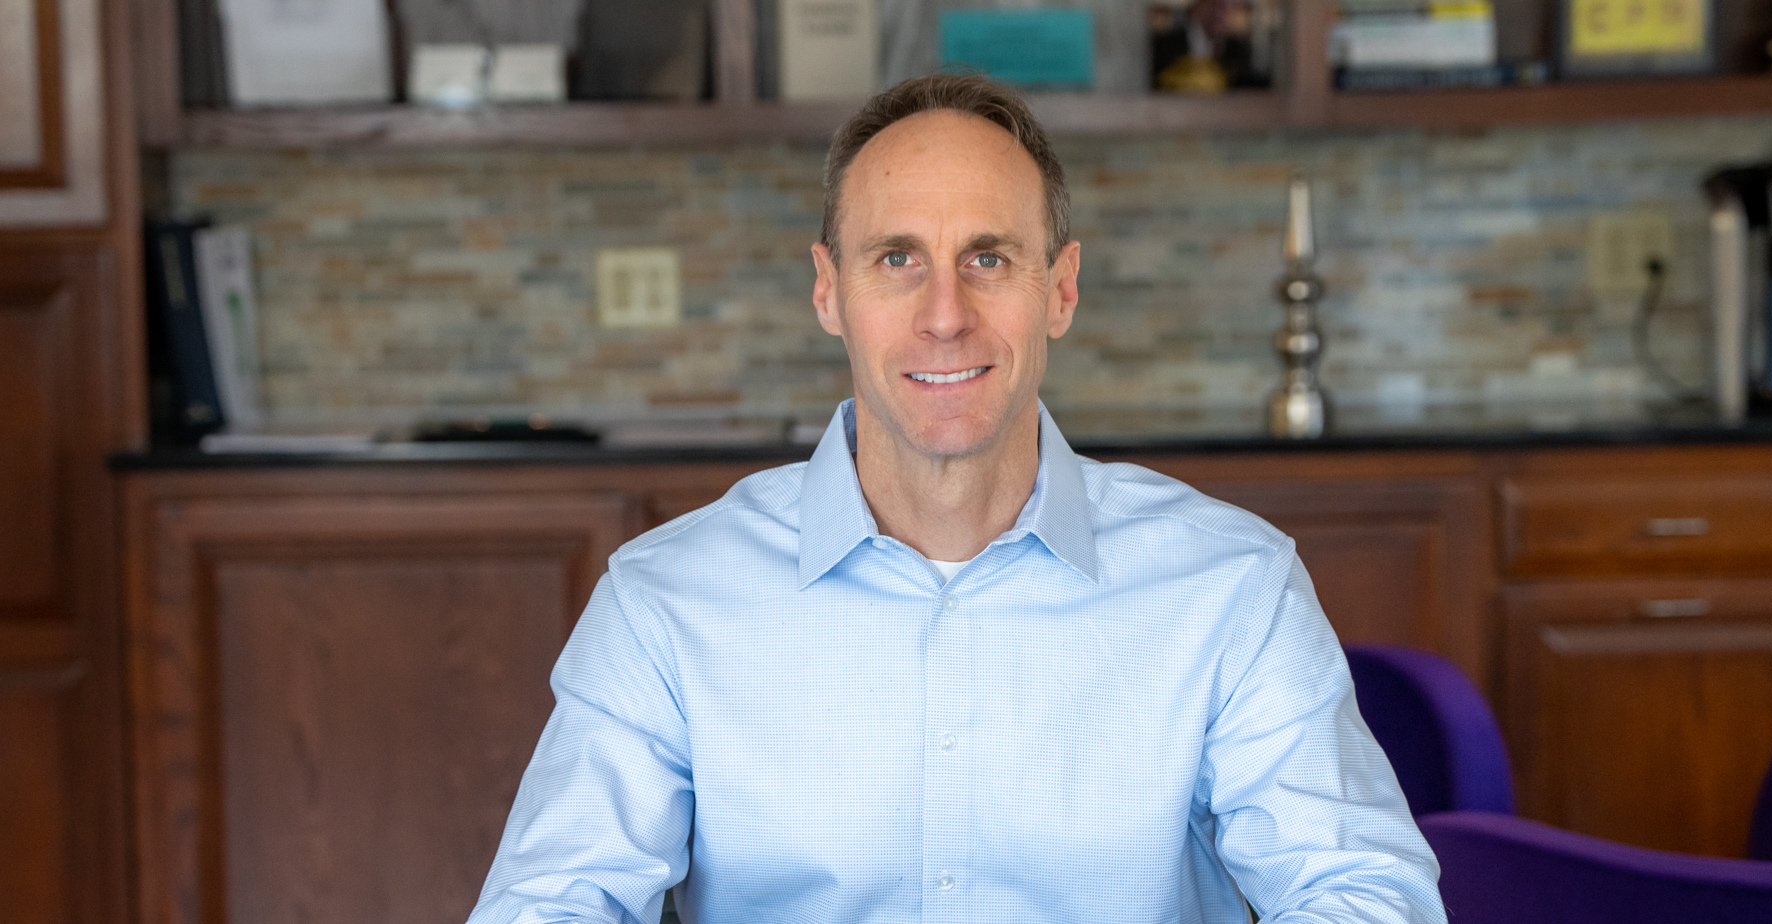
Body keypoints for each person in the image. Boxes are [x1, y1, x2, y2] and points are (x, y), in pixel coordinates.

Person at [466, 73, 1441, 924]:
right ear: (828, 293)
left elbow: (1362, 893)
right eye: (898, 259)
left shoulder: (1233, 588)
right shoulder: (663, 606)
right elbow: (549, 904)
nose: (945, 315)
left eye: (989, 257)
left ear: (1058, 290)